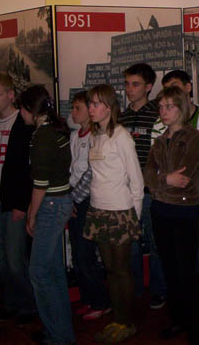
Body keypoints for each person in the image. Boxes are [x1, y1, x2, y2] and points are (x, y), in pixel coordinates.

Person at [150, 70, 199, 324]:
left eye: (174, 89)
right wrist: (164, 182)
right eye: (163, 99)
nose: (165, 105)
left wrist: (195, 191)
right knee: (172, 259)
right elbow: (152, 171)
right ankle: (180, 309)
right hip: (164, 203)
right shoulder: (158, 128)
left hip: (195, 200)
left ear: (187, 88)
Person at [144, 86, 199, 344]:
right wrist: (164, 179)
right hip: (160, 210)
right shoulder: (159, 140)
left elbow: (184, 177)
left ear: (181, 108)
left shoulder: (194, 137)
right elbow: (147, 175)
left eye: (169, 106)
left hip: (183, 211)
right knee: (170, 269)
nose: (163, 111)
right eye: (161, 107)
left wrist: (161, 180)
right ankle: (179, 319)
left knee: (187, 272)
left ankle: (198, 331)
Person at [84, 84, 143, 343]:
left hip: (120, 211)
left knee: (121, 270)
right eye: (90, 103)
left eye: (96, 103)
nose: (91, 108)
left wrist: (134, 217)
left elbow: (136, 180)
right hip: (98, 209)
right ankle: (118, 319)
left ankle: (127, 322)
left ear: (109, 107)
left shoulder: (121, 136)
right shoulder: (95, 135)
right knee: (109, 269)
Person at [18, 85, 75, 345]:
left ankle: (57, 335)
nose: (20, 114)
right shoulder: (54, 130)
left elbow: (40, 184)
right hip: (58, 201)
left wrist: (32, 214)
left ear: (30, 109)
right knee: (52, 270)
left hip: (51, 204)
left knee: (39, 271)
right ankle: (60, 332)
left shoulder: (42, 136)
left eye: (22, 108)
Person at [0, 72, 36, 324]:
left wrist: (22, 203)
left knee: (15, 258)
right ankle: (11, 301)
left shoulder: (23, 123)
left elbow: (28, 169)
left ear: (10, 95)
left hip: (15, 201)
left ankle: (28, 304)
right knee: (0, 259)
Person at [118, 63, 167, 309]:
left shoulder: (158, 114)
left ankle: (159, 290)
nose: (129, 89)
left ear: (148, 87)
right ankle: (135, 289)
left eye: (135, 84)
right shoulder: (121, 117)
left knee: (157, 243)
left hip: (151, 190)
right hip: (125, 192)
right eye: (127, 84)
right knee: (131, 244)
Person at [67, 91, 111, 321]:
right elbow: (71, 168)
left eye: (78, 108)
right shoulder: (74, 136)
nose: (73, 112)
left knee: (86, 254)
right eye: (73, 108)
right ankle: (87, 298)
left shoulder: (97, 137)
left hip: (87, 200)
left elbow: (92, 172)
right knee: (77, 253)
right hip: (73, 197)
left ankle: (100, 301)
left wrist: (74, 198)